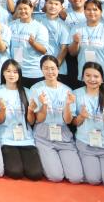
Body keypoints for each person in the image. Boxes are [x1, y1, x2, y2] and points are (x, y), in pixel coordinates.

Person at [29, 55, 83, 184]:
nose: (50, 72)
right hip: (43, 136)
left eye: (53, 68)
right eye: (46, 68)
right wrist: (44, 106)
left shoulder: (67, 90)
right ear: (41, 70)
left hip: (63, 136)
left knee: (76, 178)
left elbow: (68, 121)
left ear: (58, 69)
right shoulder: (35, 89)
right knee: (56, 176)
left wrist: (68, 105)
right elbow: (39, 119)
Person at [72, 62, 104, 189]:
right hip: (86, 144)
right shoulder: (75, 94)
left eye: (96, 76)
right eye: (88, 75)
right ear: (82, 77)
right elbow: (73, 122)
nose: (92, 79)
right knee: (93, 179)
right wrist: (81, 117)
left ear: (102, 79)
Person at [0, 59, 43, 180]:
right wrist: (2, 110)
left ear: (19, 74)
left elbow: (31, 122)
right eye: (8, 71)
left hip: (26, 139)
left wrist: (30, 111)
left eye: (15, 71)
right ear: (3, 73)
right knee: (15, 172)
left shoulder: (27, 91)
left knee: (35, 174)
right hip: (6, 138)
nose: (11, 74)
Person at [69, 0, 104, 91]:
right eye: (88, 9)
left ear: (101, 12)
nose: (91, 12)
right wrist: (75, 42)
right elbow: (72, 53)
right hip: (85, 78)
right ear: (84, 11)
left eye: (95, 9)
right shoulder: (76, 28)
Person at [8, 0, 49, 87]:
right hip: (16, 71)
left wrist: (33, 43)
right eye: (20, 9)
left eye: (25, 8)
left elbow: (44, 50)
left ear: (31, 9)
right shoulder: (11, 25)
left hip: (34, 72)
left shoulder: (39, 27)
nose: (23, 11)